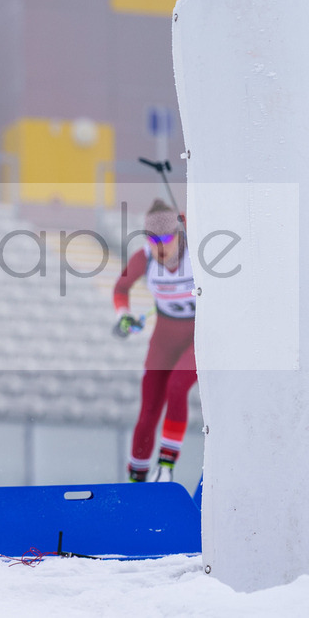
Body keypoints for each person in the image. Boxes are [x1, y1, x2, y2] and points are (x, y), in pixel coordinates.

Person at [113, 199, 197, 483]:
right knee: (149, 408)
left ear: (179, 235)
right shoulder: (144, 258)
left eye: (166, 238)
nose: (159, 247)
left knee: (177, 386)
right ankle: (136, 477)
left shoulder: (196, 252)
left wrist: (184, 217)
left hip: (198, 338)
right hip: (164, 337)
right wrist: (124, 315)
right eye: (152, 239)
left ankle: (165, 467)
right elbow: (121, 288)